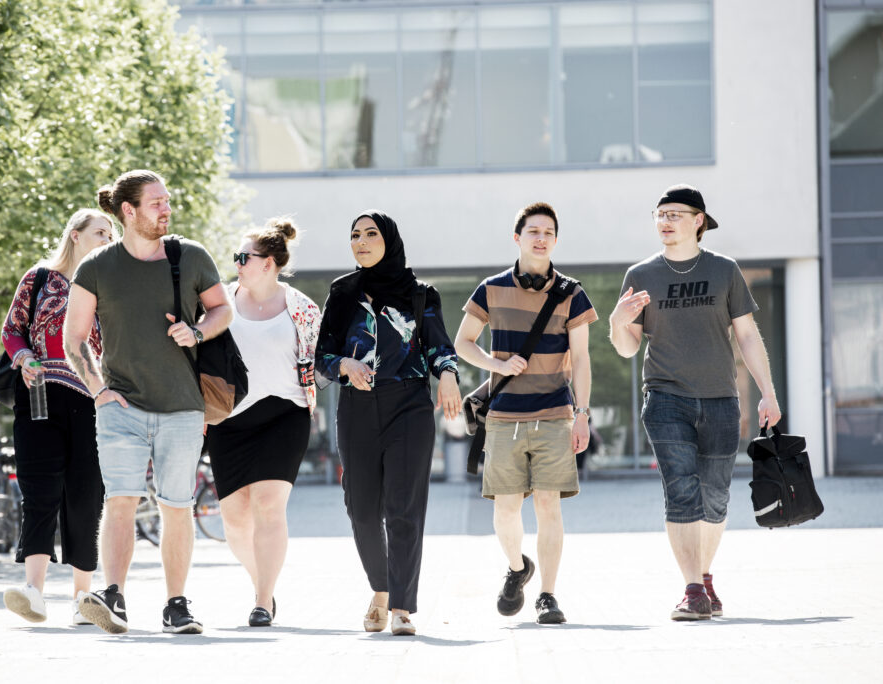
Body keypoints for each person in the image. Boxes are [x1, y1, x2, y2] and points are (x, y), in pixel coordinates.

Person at [64, 169, 232, 635]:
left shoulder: (190, 256)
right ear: (128, 211)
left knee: (176, 506)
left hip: (183, 406)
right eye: (156, 202)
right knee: (120, 500)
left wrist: (196, 330)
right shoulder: (96, 266)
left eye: (167, 200)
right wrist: (99, 390)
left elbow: (223, 309)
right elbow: (74, 338)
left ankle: (176, 605)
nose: (166, 208)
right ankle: (113, 596)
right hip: (122, 407)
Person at [609, 184, 781, 621]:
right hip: (665, 397)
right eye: (660, 214)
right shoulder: (641, 274)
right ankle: (690, 589)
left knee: (716, 495)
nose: (665, 221)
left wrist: (768, 392)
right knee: (681, 490)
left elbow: (746, 334)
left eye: (675, 214)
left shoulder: (725, 270)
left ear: (698, 220)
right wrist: (617, 321)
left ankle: (703, 577)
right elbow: (627, 348)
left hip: (721, 399)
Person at [314, 211, 461, 637]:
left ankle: (401, 606)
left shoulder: (420, 294)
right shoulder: (342, 293)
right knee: (361, 510)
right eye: (354, 235)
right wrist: (343, 363)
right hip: (357, 408)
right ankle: (380, 589)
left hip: (409, 406)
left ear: (389, 240)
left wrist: (448, 376)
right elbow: (321, 355)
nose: (360, 241)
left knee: (404, 507)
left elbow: (439, 347)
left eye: (370, 234)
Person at [454, 201, 597, 625]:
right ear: (517, 237)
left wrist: (582, 413)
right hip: (503, 415)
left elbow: (583, 359)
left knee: (549, 506)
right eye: (533, 231)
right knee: (505, 510)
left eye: (548, 232)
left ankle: (548, 596)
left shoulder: (572, 293)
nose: (541, 238)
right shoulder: (491, 288)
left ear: (555, 239)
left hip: (555, 411)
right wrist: (497, 365)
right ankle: (518, 568)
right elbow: (463, 342)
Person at [204, 217, 322, 627]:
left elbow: (317, 359)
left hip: (284, 414)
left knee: (269, 506)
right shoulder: (219, 302)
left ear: (269, 262)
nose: (237, 263)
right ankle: (264, 589)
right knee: (235, 518)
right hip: (228, 419)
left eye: (244, 257)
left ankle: (261, 599)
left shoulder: (302, 308)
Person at [0, 208, 114, 625]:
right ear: (75, 235)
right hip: (38, 396)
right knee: (40, 491)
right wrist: (24, 356)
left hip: (92, 401)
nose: (106, 239)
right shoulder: (39, 278)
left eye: (110, 234)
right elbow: (12, 330)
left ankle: (84, 600)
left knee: (87, 495)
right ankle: (33, 592)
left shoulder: (109, 285)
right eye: (100, 232)